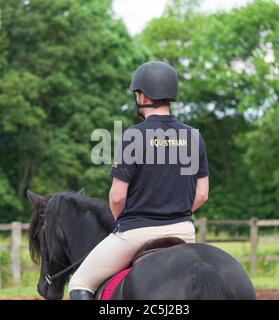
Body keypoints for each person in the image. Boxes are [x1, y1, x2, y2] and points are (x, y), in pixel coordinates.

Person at [68, 61, 209, 300]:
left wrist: (121, 222)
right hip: (184, 232)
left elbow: (117, 196)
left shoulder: (133, 136)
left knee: (79, 283)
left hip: (136, 232)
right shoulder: (193, 136)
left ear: (142, 96)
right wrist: (175, 212)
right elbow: (203, 194)